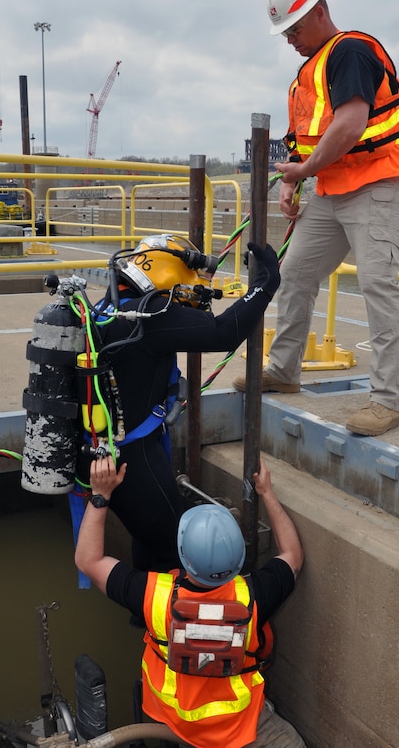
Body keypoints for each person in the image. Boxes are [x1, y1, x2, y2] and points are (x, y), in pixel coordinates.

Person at [75, 454, 323, 748]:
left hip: (182, 729)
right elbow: (293, 555)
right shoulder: (254, 595)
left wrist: (100, 496)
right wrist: (267, 493)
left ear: (182, 556)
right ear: (239, 560)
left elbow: (88, 560)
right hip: (243, 728)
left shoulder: (153, 597)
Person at [233, 0, 399, 437]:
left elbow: (351, 125)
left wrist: (304, 170)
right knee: (293, 274)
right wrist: (292, 182)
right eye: (285, 33)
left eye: (293, 29)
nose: (290, 40)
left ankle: (386, 402)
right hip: (330, 192)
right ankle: (284, 371)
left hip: (375, 185)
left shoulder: (350, 51)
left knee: (378, 285)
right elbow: (303, 141)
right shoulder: (306, 77)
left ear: (318, 11)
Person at [92, 234, 280, 572]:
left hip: (101, 452)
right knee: (171, 545)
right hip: (133, 460)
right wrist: (265, 284)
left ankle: (142, 614)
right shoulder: (151, 315)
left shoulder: (108, 307)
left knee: (147, 534)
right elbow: (223, 331)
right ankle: (165, 618)